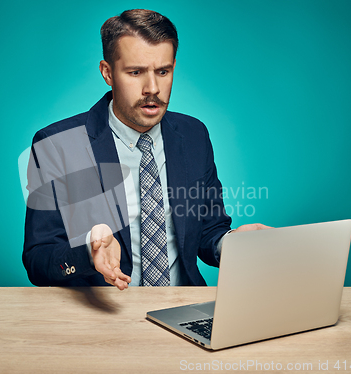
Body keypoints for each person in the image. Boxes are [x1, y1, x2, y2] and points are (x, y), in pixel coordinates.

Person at [23, 9, 270, 290]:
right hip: (103, 316)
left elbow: (206, 232)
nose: (152, 88)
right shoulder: (56, 145)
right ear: (108, 72)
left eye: (163, 71)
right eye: (136, 72)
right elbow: (38, 259)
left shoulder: (194, 135)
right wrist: (87, 255)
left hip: (182, 309)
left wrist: (233, 244)